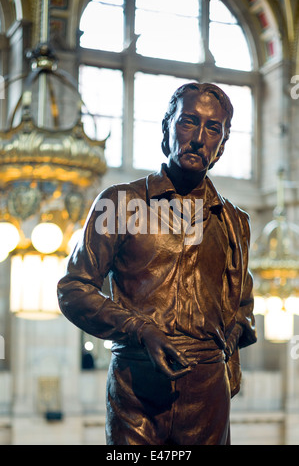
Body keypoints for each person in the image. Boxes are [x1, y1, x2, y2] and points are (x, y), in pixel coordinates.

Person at [57, 82, 257, 445]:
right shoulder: (118, 203)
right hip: (136, 385)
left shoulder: (235, 221)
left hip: (208, 391)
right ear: (166, 128)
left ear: (222, 145)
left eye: (213, 128)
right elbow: (74, 288)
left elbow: (241, 307)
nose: (198, 137)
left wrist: (229, 349)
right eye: (188, 122)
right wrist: (140, 330)